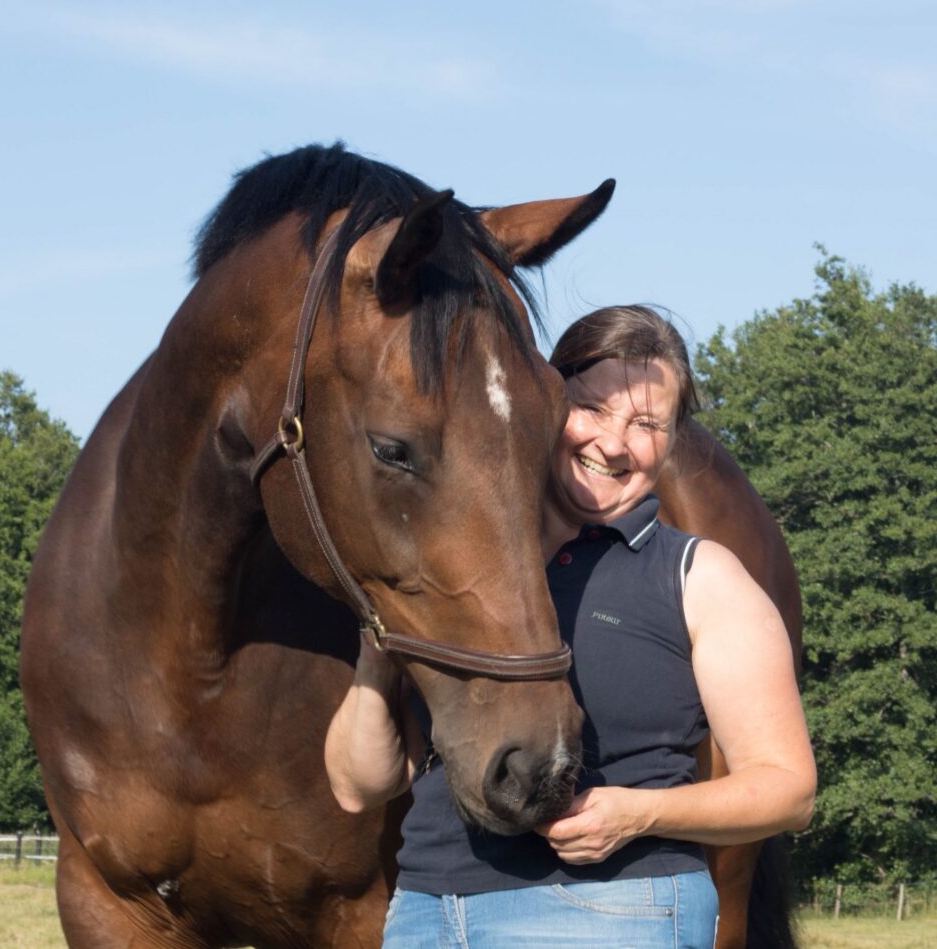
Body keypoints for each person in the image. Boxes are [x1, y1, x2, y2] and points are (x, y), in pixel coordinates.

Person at [325, 305, 816, 949]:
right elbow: (360, 787)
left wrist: (641, 814)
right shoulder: (466, 575)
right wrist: (374, 652)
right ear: (547, 404)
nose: (613, 443)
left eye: (646, 424)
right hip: (426, 912)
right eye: (592, 409)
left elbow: (788, 789)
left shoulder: (702, 577)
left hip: (615, 909)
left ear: (672, 439)